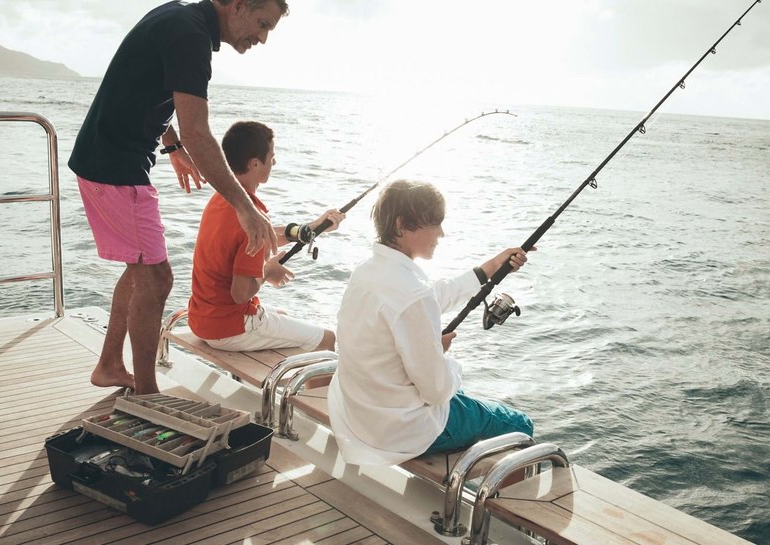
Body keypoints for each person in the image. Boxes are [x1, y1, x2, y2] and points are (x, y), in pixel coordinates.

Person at [68, 0, 289, 395]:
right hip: (116, 168)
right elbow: (199, 133)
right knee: (157, 279)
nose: (262, 37)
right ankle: (148, 394)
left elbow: (144, 86)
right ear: (236, 5)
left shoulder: (178, 18)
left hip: (103, 160)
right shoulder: (191, 35)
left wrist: (169, 145)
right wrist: (245, 208)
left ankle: (110, 365)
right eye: (261, 23)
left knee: (141, 271)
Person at [327, 179, 535, 466]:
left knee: (459, 396)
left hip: (358, 415)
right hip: (398, 432)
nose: (441, 232)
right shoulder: (413, 294)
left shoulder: (366, 273)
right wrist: (439, 354)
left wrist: (492, 267)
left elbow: (431, 298)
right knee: (521, 425)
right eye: (435, 223)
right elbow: (436, 390)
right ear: (402, 226)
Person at [188, 121, 344, 352]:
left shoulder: (222, 200)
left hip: (201, 319)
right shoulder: (252, 218)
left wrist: (314, 226)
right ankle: (303, 388)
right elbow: (240, 294)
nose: (274, 162)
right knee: (327, 339)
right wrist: (267, 271)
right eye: (271, 156)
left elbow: (265, 235)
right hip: (230, 328)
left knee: (282, 315)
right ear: (254, 163)